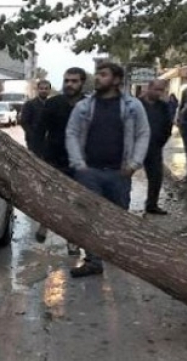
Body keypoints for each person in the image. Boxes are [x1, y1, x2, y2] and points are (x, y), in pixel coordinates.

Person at [65, 62, 150, 277]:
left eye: (103, 74)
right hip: (90, 172)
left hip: (119, 173)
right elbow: (72, 133)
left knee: (117, 217)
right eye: (97, 74)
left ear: (117, 79)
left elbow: (143, 134)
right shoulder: (84, 106)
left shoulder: (133, 106)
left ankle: (115, 256)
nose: (98, 78)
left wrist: (133, 165)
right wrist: (79, 165)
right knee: (88, 218)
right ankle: (93, 260)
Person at [33, 68, 87, 255]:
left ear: (82, 83)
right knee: (51, 196)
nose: (70, 84)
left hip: (79, 161)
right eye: (67, 80)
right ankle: (45, 224)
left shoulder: (88, 104)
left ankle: (73, 240)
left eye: (74, 81)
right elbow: (39, 131)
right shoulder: (53, 103)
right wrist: (37, 155)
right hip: (53, 158)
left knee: (76, 203)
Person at [140, 79, 174, 215]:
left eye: (162, 90)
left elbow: (168, 126)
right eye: (156, 89)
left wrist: (161, 141)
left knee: (155, 177)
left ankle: (152, 204)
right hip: (135, 146)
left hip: (154, 147)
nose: (159, 93)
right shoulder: (136, 104)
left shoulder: (163, 106)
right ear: (149, 88)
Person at [21, 80, 52, 155]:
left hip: (49, 141)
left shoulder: (52, 104)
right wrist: (32, 135)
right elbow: (24, 122)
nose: (43, 91)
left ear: (49, 90)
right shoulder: (30, 104)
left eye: (46, 88)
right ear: (37, 90)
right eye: (41, 88)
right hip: (33, 141)